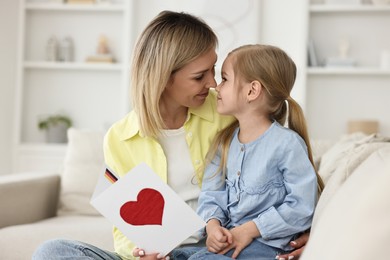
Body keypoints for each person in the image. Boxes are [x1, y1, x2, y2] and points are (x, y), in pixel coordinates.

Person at [32, 11, 311, 260]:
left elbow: (286, 175)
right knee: (51, 252)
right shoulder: (120, 137)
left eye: (215, 72)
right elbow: (125, 226)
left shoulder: (228, 111)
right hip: (162, 254)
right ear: (164, 77)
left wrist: (304, 234)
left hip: (211, 251)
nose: (213, 83)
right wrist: (141, 253)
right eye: (200, 76)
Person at [171, 44, 324, 260]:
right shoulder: (223, 143)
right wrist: (213, 226)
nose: (216, 87)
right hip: (232, 242)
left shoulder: (287, 144)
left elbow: (302, 206)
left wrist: (249, 230)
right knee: (176, 256)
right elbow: (211, 194)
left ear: (252, 91)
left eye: (224, 79)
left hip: (268, 246)